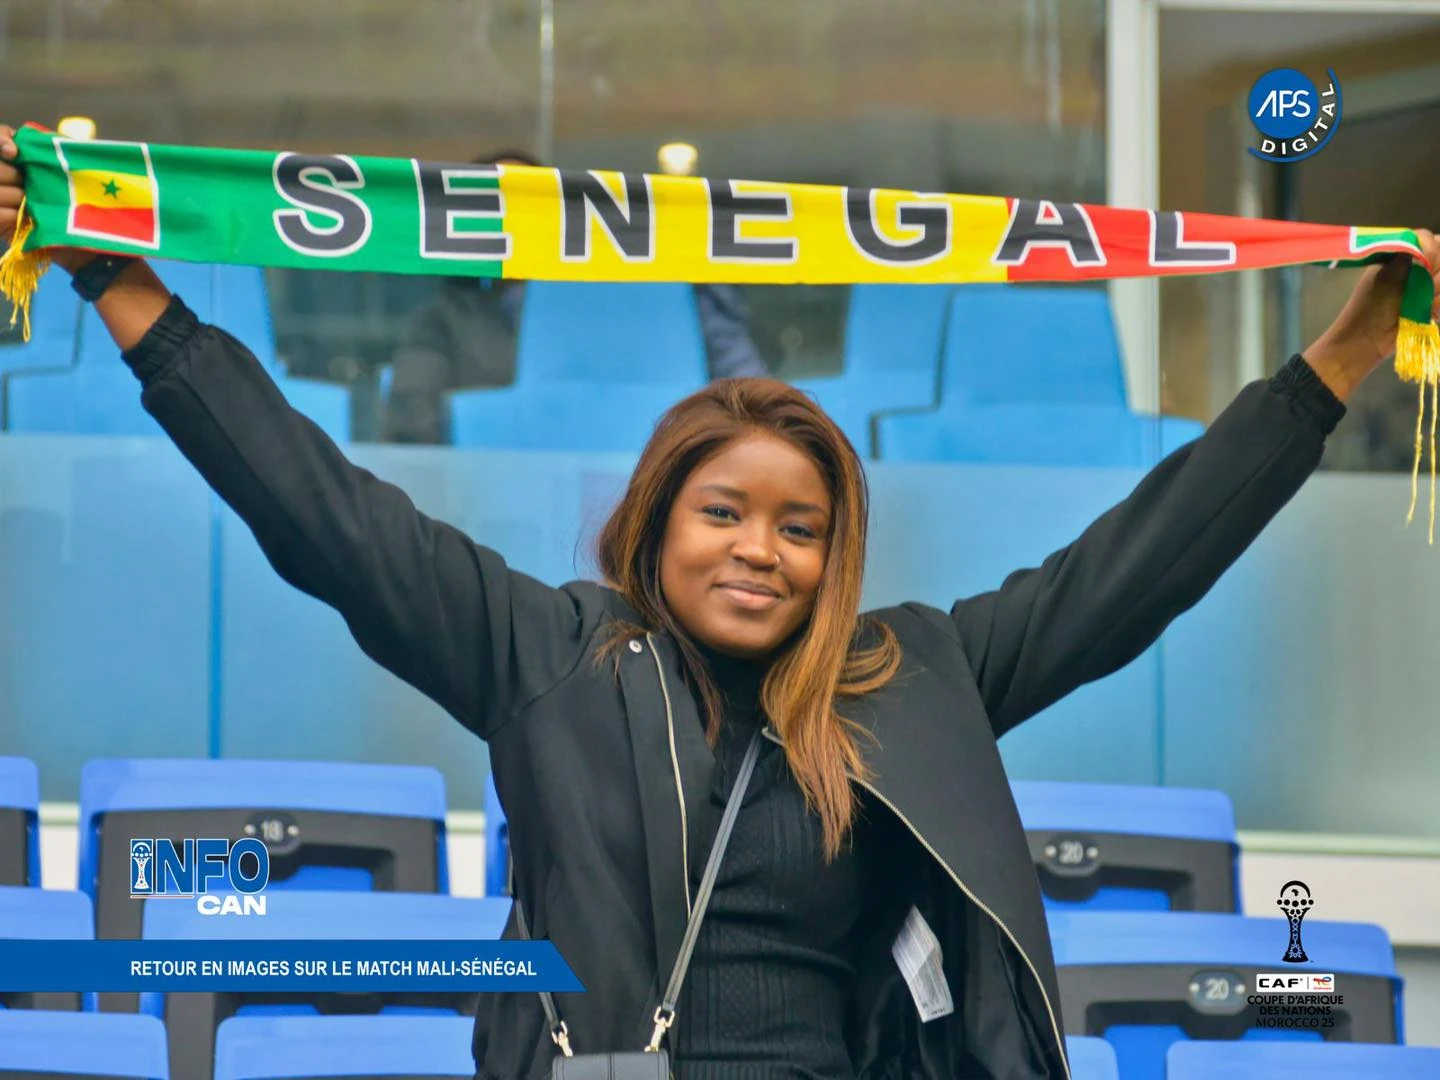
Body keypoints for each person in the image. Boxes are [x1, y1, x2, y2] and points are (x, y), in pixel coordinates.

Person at [3, 124, 1435, 1079]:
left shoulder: (907, 675)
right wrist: (118, 280)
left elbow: (1140, 565)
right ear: (655, 524)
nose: (762, 551)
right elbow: (318, 509)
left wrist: (1341, 361)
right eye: (725, 513)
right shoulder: (549, 653)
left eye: (802, 528)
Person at [384, 151, 771, 444]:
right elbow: (410, 417)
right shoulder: (445, 318)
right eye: (496, 207)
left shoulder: (641, 303)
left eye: (527, 203)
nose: (513, 220)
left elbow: (754, 395)